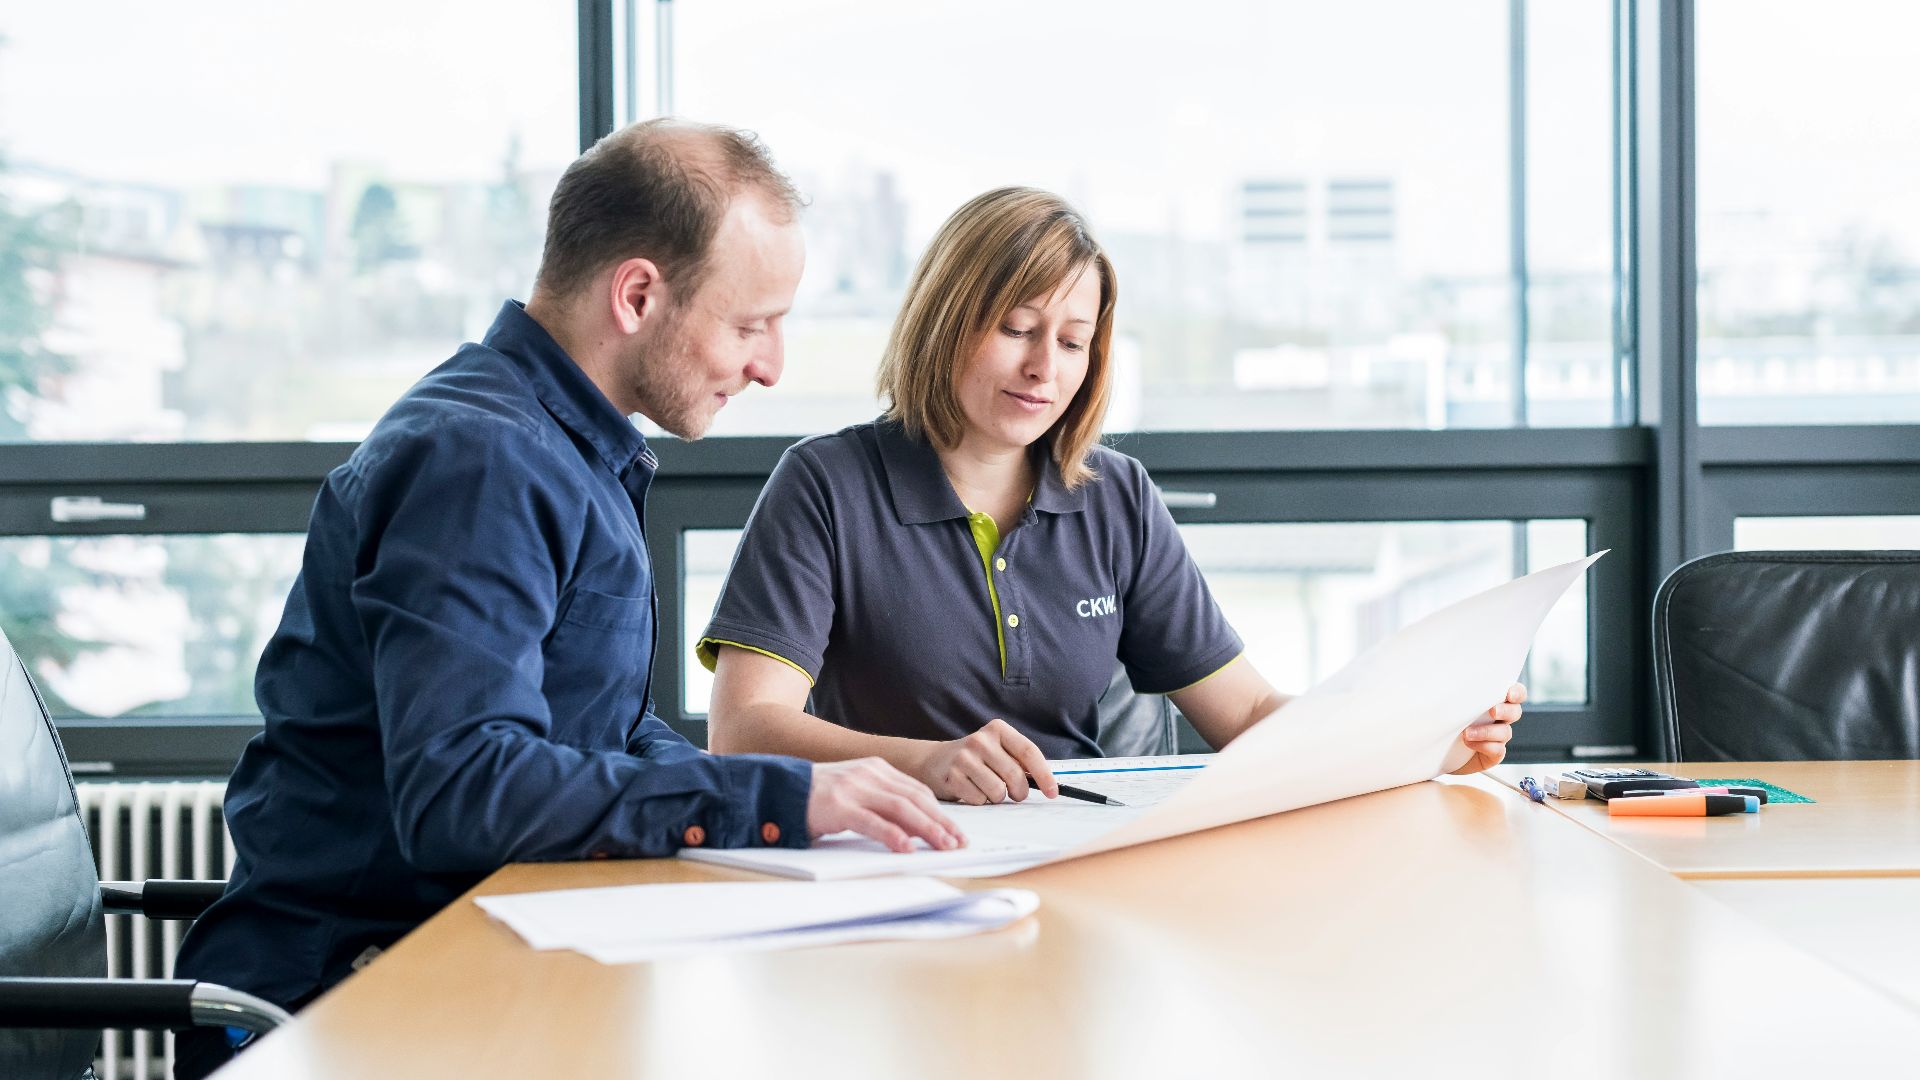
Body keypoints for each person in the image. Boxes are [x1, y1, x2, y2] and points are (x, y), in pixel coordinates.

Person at [171, 119, 960, 1079]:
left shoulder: (568, 451)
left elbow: (608, 735)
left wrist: (791, 828)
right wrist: (777, 797)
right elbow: (462, 789)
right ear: (637, 294)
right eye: (751, 324)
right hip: (352, 996)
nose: (771, 366)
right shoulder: (483, 461)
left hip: (472, 956)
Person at [698, 187, 1526, 805]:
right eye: (1017, 330)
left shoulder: (1116, 497)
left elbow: (1248, 713)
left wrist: (1423, 737)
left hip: (1078, 845)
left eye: (1072, 342)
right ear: (946, 321)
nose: (1043, 369)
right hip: (903, 850)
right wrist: (925, 761)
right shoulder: (825, 485)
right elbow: (743, 731)